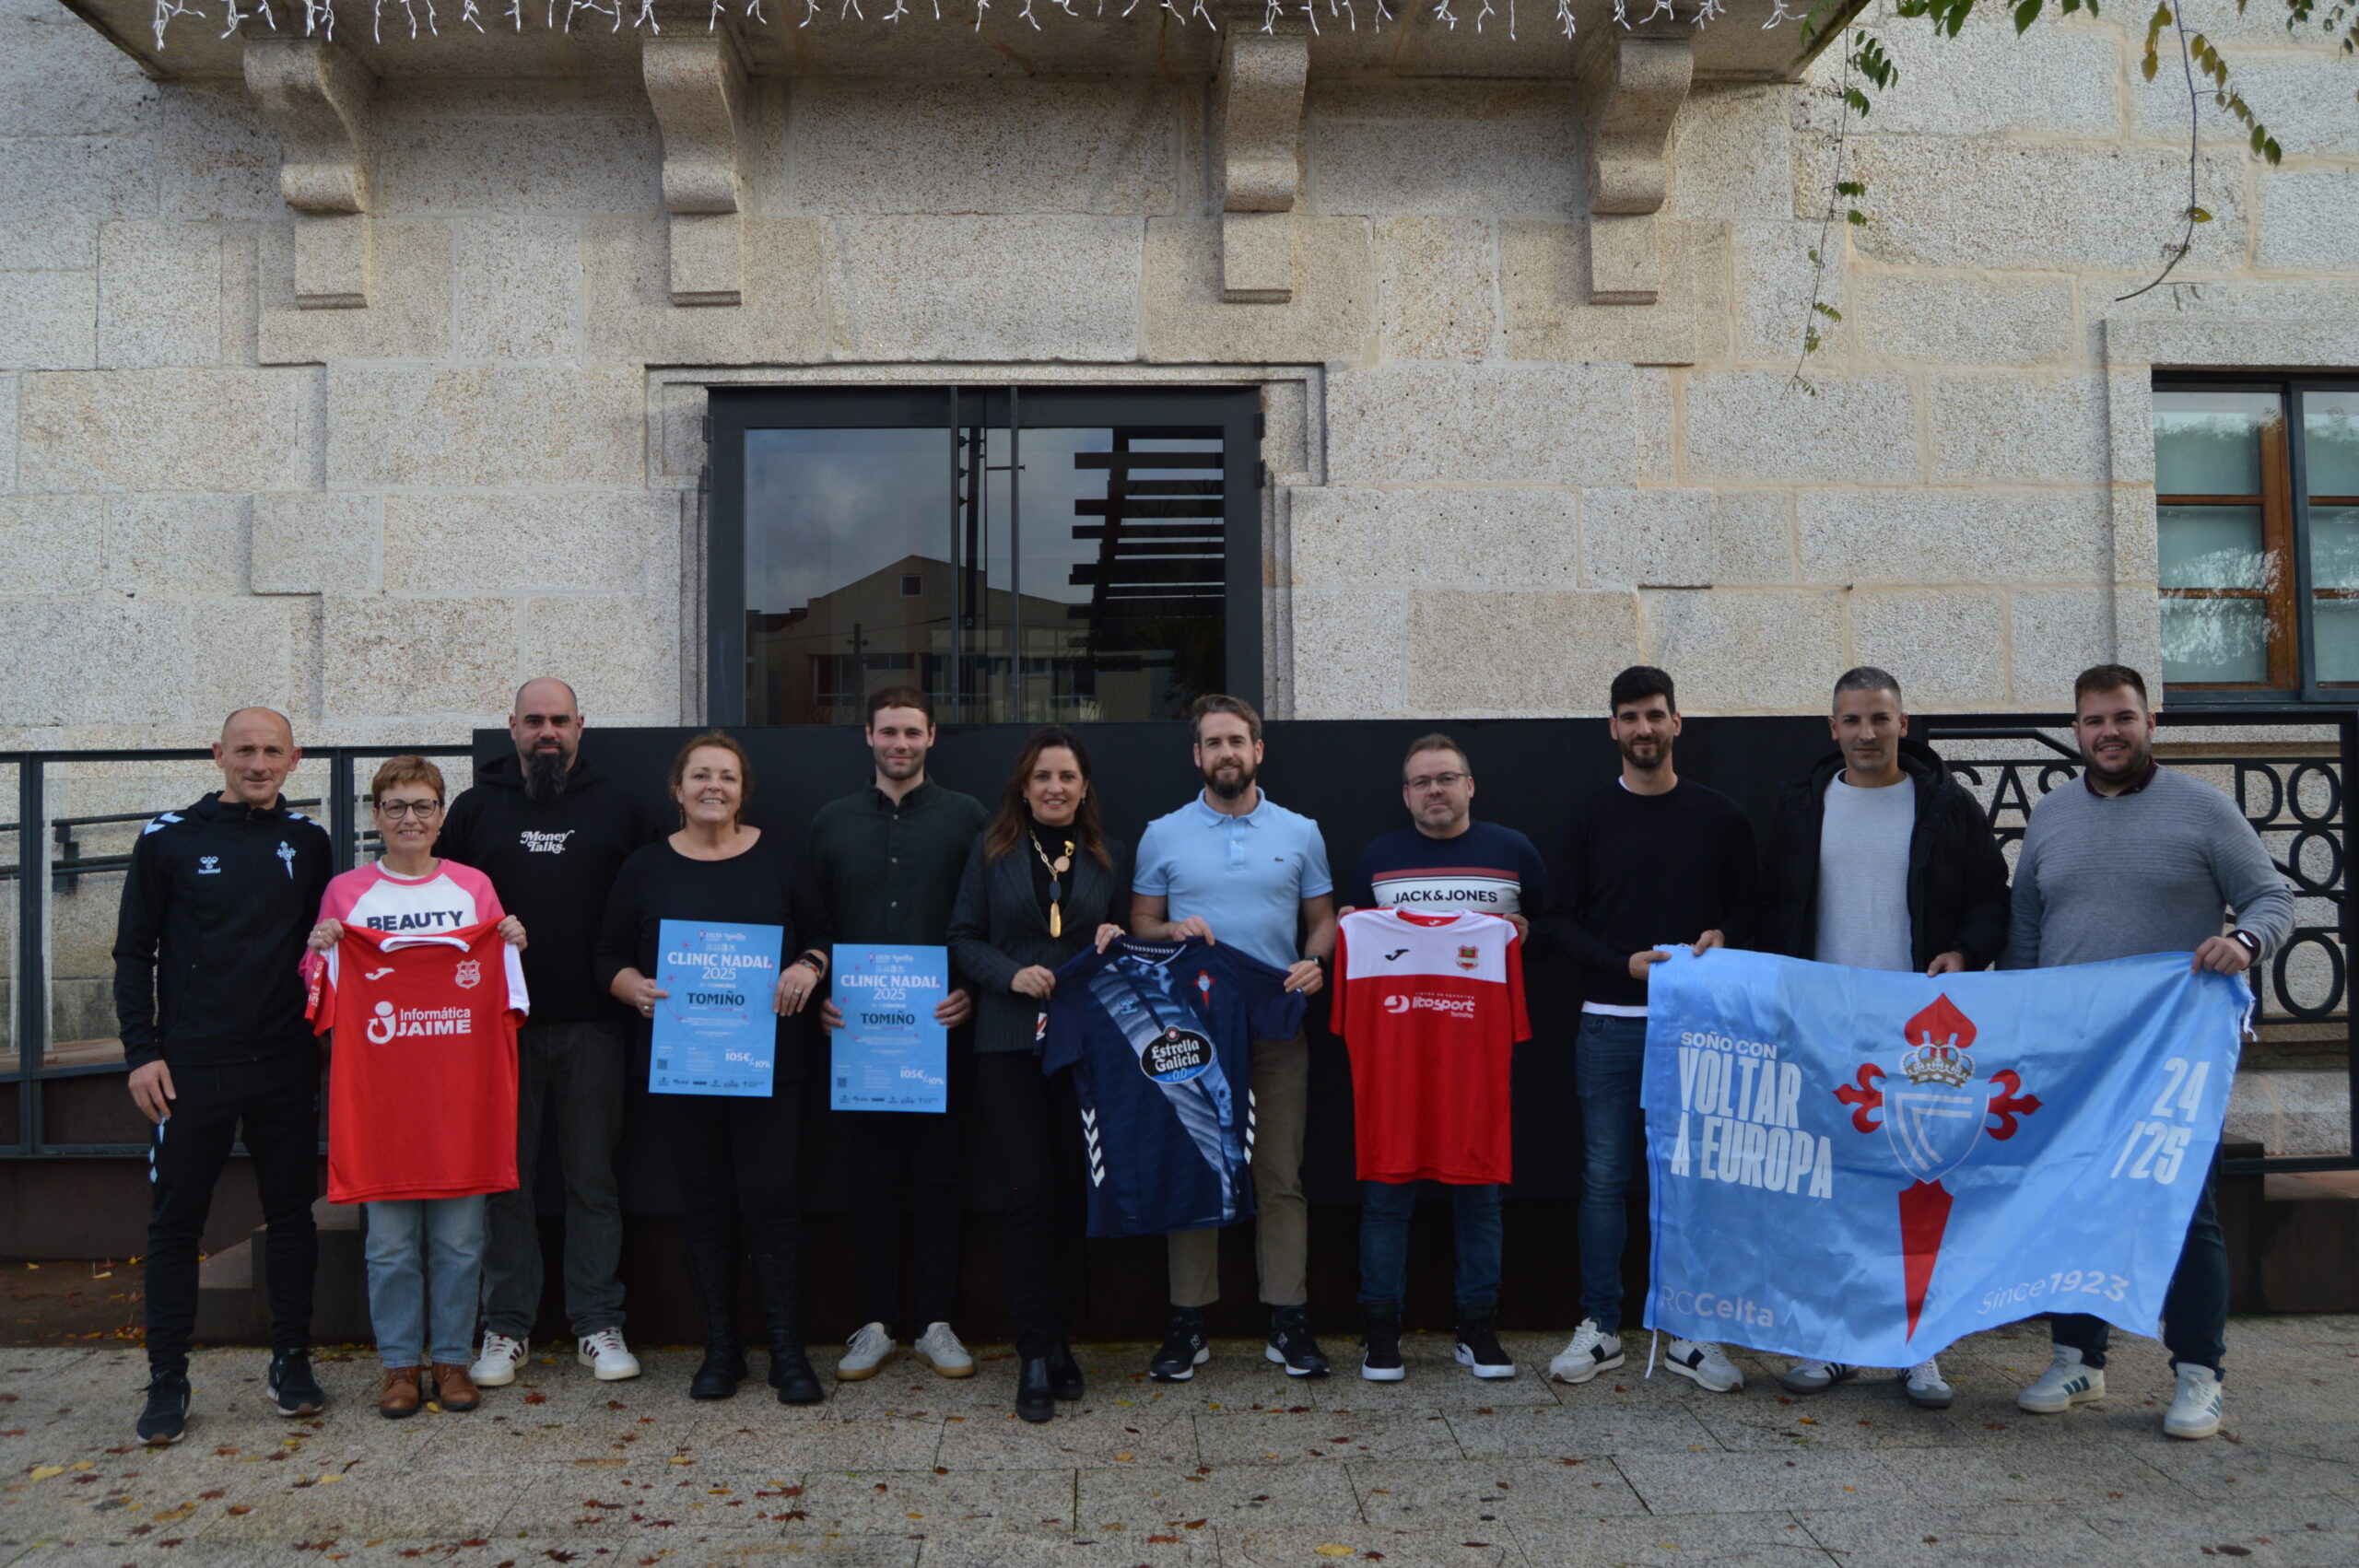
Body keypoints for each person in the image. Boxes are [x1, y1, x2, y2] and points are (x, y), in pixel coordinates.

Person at [2001, 664, 2294, 1442]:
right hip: (2072, 1054)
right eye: (2095, 721)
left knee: (2183, 1209)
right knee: (2071, 1200)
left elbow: (2273, 898)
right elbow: (2026, 925)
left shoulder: (2204, 810)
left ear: (2151, 721)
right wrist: (2025, 1021)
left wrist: (2244, 939)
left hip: (2171, 1053)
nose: (2109, 733)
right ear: (2076, 730)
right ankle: (2079, 1360)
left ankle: (2200, 1375)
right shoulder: (2052, 816)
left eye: (2123, 718)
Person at [1758, 667, 2011, 1410]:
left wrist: (1964, 955)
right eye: (1851, 720)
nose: (1866, 733)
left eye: (1879, 719)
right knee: (1832, 1193)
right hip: (1826, 1034)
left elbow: (1989, 900)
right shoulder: (1801, 808)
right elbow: (1771, 907)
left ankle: (1919, 1349)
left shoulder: (1946, 807)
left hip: (1919, 1040)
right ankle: (1834, 1343)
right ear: (1830, 730)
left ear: (1905, 724)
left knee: (1920, 1191)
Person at [113, 707, 334, 1445]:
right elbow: (132, 953)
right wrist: (141, 1052)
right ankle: (168, 1379)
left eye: (272, 750)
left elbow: (324, 951)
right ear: (218, 755)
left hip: (282, 1063)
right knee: (176, 1225)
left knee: (293, 1216)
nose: (258, 762)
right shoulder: (169, 838)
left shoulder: (308, 844)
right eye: (245, 750)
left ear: (294, 759)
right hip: (189, 1067)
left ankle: (291, 1363)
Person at [440, 677, 667, 1388]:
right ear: (511, 727)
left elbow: (655, 904)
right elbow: (439, 905)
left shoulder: (623, 808)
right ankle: (506, 1327)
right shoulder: (476, 808)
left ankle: (598, 1322)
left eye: (559, 720)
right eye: (533, 720)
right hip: (496, 1033)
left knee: (592, 1181)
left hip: (598, 1027)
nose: (546, 732)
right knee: (505, 1184)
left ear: (581, 728)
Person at [1537, 667, 1758, 1395]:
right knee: (1603, 1177)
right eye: (1629, 717)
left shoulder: (1721, 816)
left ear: (1677, 723)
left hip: (1701, 1031)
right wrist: (1619, 966)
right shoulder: (1586, 817)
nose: (1643, 729)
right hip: (1610, 1023)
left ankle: (1694, 1331)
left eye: (1654, 716)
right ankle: (1602, 1326)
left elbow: (1754, 910)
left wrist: (1726, 934)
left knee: (1694, 1181)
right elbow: (1556, 921)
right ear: (1612, 728)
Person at [595, 731, 833, 1404]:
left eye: (726, 777)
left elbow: (823, 934)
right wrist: (631, 987)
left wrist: (806, 966)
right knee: (704, 1206)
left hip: (770, 1065)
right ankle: (721, 1350)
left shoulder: (781, 859)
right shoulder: (644, 867)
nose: (713, 787)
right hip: (682, 1068)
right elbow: (605, 955)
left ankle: (787, 1351)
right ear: (677, 789)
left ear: (742, 790)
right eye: (700, 775)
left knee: (774, 1202)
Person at [304, 757, 530, 1419]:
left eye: (424, 806)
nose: (410, 819)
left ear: (441, 816)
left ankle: (453, 1361)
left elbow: (507, 996)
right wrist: (320, 950)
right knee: (390, 1245)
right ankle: (400, 1367)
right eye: (396, 806)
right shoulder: (347, 893)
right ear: (376, 816)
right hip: (382, 1102)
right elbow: (315, 992)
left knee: (461, 1242)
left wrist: (510, 941)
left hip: (459, 1099)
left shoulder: (474, 888)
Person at [1131, 694, 1337, 1380]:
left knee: (1280, 1174)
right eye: (1213, 743)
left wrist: (1317, 960)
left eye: (1237, 741)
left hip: (1277, 1026)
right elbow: (1142, 926)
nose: (1226, 753)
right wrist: (1172, 931)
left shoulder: (1302, 831)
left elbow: (1322, 919)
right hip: (1191, 1032)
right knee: (1195, 1172)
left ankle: (1288, 1319)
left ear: (1258, 751)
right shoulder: (1162, 834)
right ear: (1197, 755)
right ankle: (1188, 1324)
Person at [1343, 733, 1549, 1382]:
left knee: (1480, 1194)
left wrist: (1519, 938)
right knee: (1385, 1195)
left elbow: (1546, 925)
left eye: (1446, 778)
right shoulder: (1379, 860)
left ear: (1469, 786)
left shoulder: (1513, 852)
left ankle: (1477, 1329)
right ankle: (1381, 1331)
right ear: (1405, 795)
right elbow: (1356, 943)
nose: (1435, 790)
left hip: (1474, 1059)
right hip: (1396, 1062)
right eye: (1422, 782)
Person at [945, 726, 1129, 1422]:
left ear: (1084, 790)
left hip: (1081, 1045)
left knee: (1074, 1196)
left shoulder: (1108, 857)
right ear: (1024, 787)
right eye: (1043, 776)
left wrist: (1111, 937)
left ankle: (1060, 1343)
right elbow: (962, 936)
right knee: (1027, 1194)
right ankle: (1031, 1351)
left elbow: (1109, 943)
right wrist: (1010, 974)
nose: (1056, 787)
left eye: (1068, 777)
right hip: (1007, 1041)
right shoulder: (991, 851)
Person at [807, 687, 988, 1381]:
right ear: (868, 735)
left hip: (941, 1037)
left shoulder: (968, 819)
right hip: (857, 1040)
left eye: (912, 732)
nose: (900, 744)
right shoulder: (831, 823)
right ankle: (877, 1323)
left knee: (942, 1178)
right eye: (889, 731)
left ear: (932, 737)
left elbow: (984, 919)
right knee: (871, 1179)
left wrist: (972, 989)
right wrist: (821, 992)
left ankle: (937, 1322)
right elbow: (816, 923)